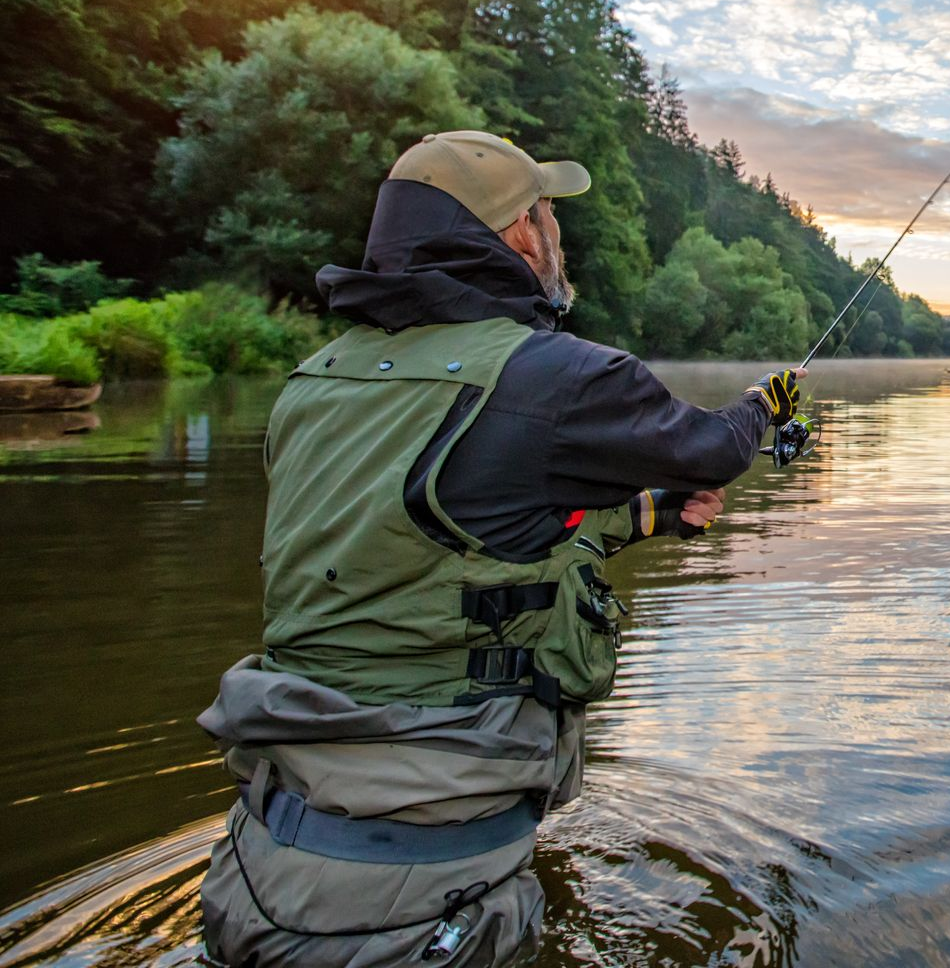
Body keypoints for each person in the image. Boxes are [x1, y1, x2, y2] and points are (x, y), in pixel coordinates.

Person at [197, 130, 803, 966]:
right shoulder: (557, 377)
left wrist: (652, 515)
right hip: (419, 911)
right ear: (520, 231)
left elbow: (445, 537)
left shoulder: (315, 384)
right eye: (551, 214)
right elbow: (713, 449)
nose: (560, 235)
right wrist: (759, 405)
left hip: (253, 871)